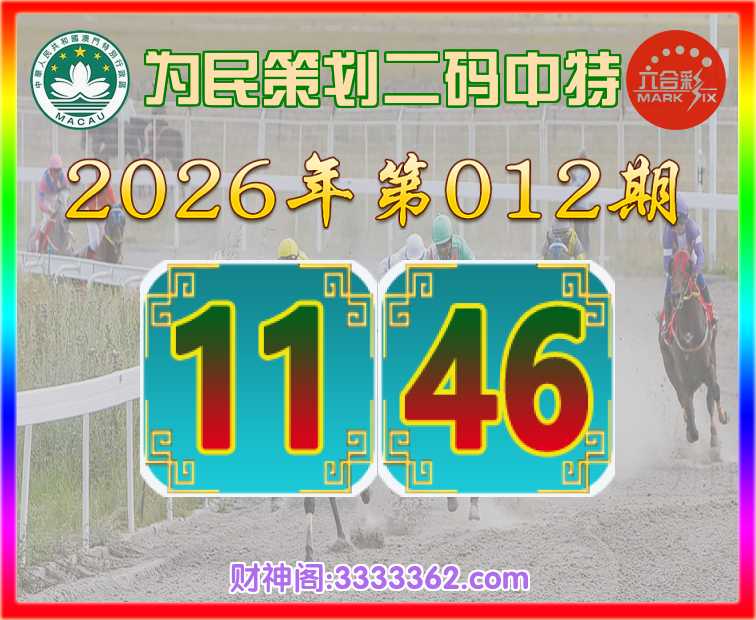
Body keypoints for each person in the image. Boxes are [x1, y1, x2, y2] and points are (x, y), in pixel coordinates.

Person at [662, 199, 714, 329]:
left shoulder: (693, 229)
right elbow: (666, 261)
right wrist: (671, 275)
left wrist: (695, 272)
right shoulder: (667, 233)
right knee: (668, 289)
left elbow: (700, 255)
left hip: (691, 260)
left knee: (701, 282)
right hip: (676, 265)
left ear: (683, 221)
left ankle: (711, 315)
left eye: (676, 224)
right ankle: (666, 322)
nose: (674, 228)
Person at [81, 158, 117, 259]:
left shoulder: (107, 187)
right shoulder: (91, 185)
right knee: (95, 242)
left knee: (105, 240)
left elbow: (113, 203)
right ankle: (90, 259)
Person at [35, 154, 68, 241]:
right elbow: (40, 202)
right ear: (50, 170)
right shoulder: (44, 180)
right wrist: (49, 210)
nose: (57, 173)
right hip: (46, 200)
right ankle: (38, 242)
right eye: (55, 170)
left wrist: (64, 203)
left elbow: (66, 192)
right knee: (46, 218)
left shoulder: (63, 176)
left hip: (57, 198)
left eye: (58, 170)